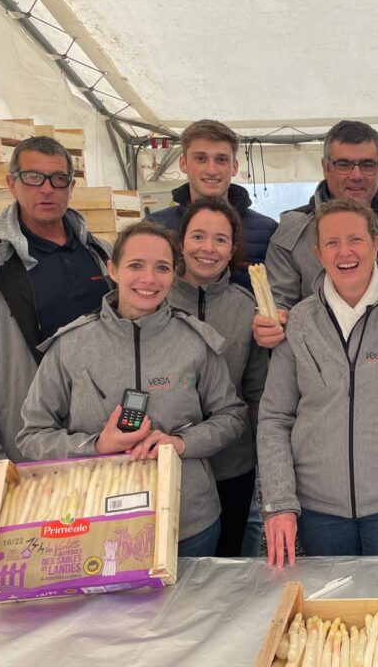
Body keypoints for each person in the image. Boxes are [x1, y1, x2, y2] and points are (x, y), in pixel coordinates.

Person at [18, 222, 249, 557]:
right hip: (95, 524)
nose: (149, 279)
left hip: (188, 523)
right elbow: (31, 436)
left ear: (174, 275)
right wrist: (97, 445)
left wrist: (181, 443)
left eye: (162, 268)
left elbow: (232, 417)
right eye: (136, 265)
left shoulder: (195, 342)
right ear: (112, 269)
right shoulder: (71, 345)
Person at [258, 198, 378, 567]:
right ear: (318, 253)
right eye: (332, 243)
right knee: (334, 613)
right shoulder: (299, 323)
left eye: (355, 240)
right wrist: (279, 503)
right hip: (320, 508)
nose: (344, 252)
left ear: (376, 244)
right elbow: (274, 419)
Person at [0, 136, 111, 491]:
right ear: (11, 183)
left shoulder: (99, 253)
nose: (47, 189)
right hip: (34, 449)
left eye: (58, 179)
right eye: (33, 177)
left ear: (71, 187)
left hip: (105, 438)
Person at [255, 120, 378, 349]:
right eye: (344, 164)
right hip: (320, 365)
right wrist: (270, 325)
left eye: (368, 165)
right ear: (325, 167)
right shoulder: (292, 233)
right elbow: (277, 307)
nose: (357, 175)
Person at [166, 198, 268, 557]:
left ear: (232, 250)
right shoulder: (155, 299)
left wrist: (264, 457)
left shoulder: (246, 308)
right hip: (168, 466)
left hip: (231, 464)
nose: (208, 248)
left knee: (230, 564)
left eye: (220, 240)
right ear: (181, 243)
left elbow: (256, 390)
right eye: (198, 236)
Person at [147, 119, 277, 289]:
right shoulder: (155, 227)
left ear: (234, 167)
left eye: (221, 160)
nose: (211, 170)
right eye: (200, 158)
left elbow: (280, 295)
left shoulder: (267, 231)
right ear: (183, 164)